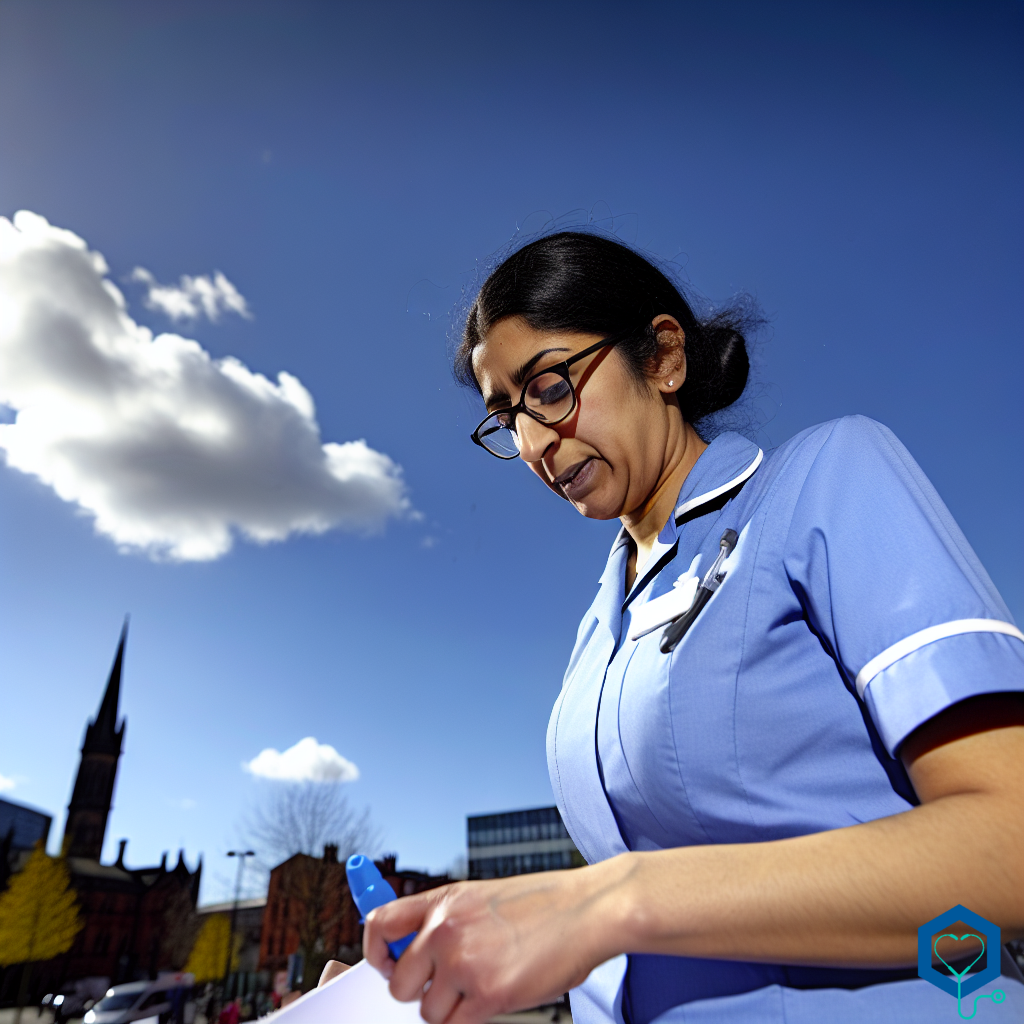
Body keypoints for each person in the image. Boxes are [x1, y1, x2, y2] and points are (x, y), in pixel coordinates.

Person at [349, 232, 1024, 1023]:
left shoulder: (825, 483)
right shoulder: (594, 638)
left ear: (664, 357)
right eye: (506, 417)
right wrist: (428, 975)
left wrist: (607, 900)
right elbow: (649, 941)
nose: (532, 444)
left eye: (551, 387)